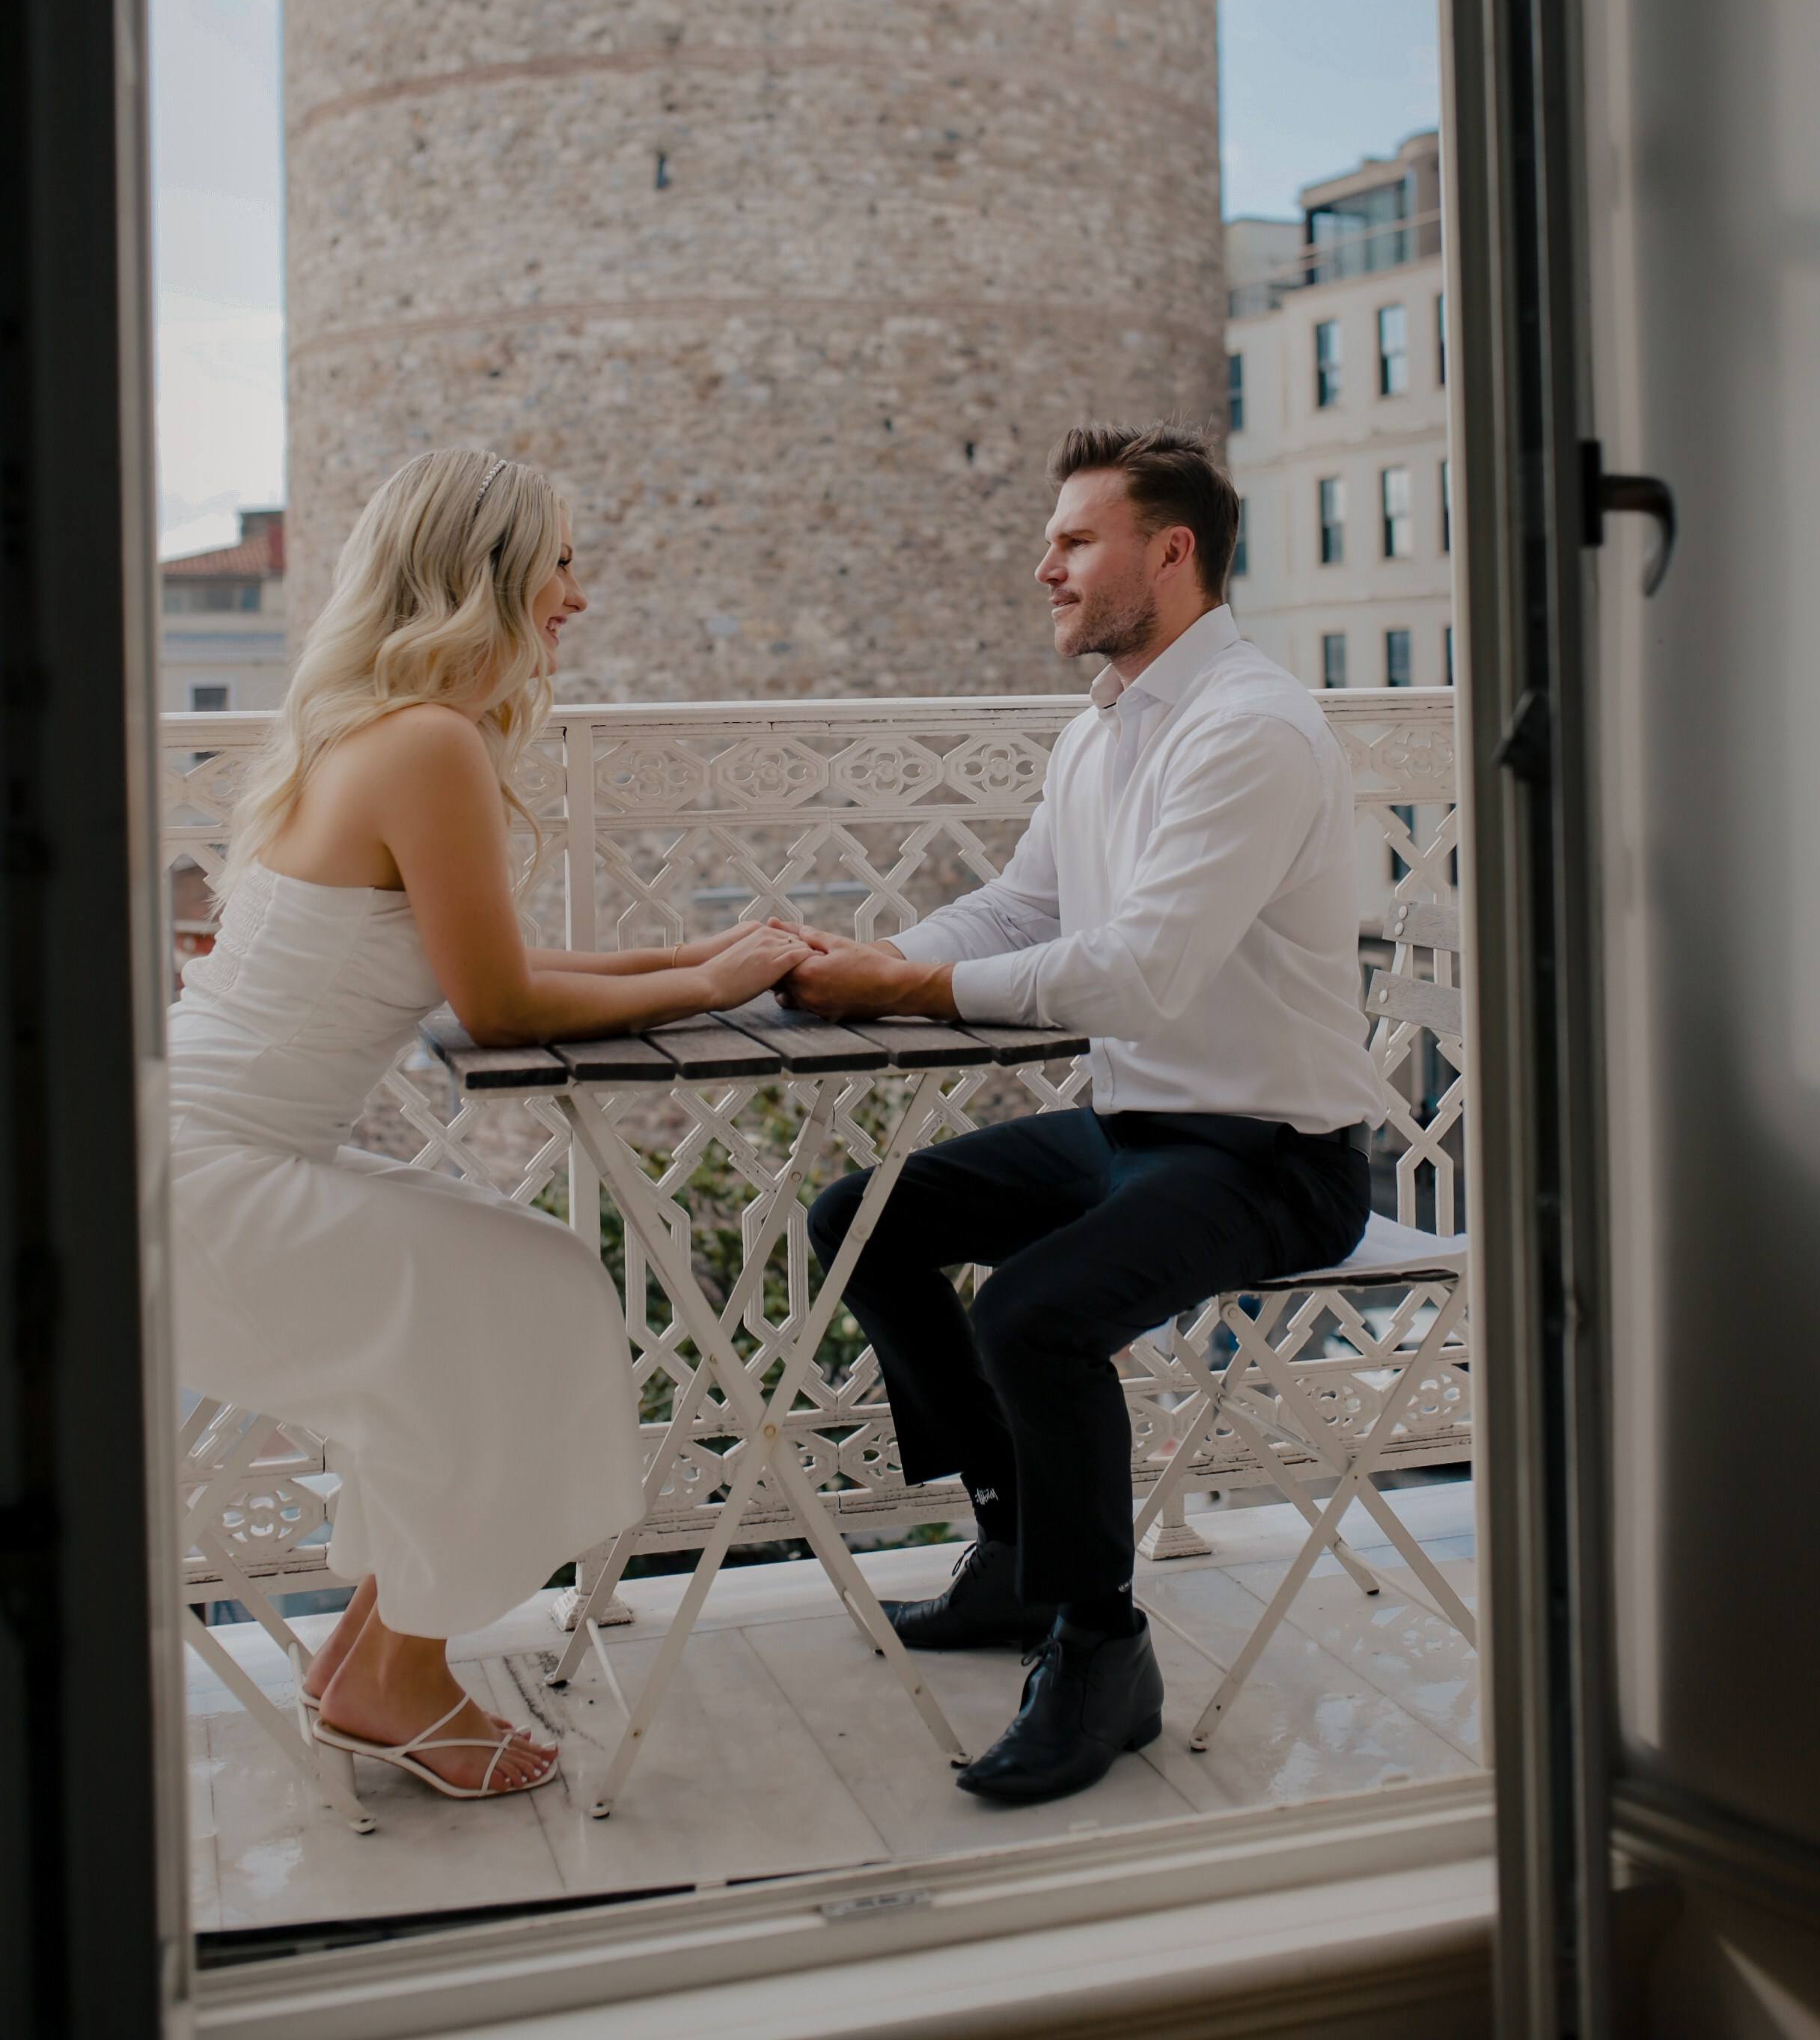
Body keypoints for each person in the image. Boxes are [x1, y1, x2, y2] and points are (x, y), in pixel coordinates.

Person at [169, 448, 811, 1801]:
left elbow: (499, 964)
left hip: (210, 1149)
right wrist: (704, 984)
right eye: (560, 561)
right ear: (490, 576)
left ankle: (369, 1670)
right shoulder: (428, 744)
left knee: (520, 1286)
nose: (578, 593)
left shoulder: (377, 730)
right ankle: (399, 1677)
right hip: (206, 1180)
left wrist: (701, 957)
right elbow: (503, 1002)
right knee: (527, 1299)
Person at [790, 422, 1381, 1807]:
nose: (1041, 565)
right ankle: (1015, 1551)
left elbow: (1139, 973)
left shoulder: (1253, 731)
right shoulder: (1101, 731)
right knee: (865, 1219)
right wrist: (855, 966)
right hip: (1139, 1129)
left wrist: (919, 985)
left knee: (1031, 1314)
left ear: (1171, 554)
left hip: (1274, 1156)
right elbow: (1025, 909)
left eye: (1073, 540)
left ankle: (1103, 1650)